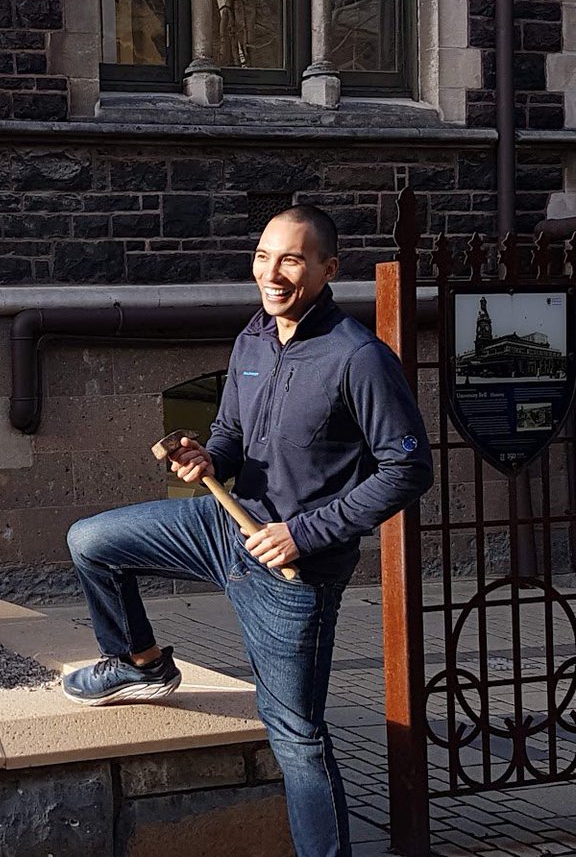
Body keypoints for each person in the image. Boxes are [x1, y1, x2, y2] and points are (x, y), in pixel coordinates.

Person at [61, 204, 433, 857]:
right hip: (221, 527)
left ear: (327, 268)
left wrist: (303, 534)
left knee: (296, 737)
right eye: (264, 256)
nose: (274, 272)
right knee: (91, 542)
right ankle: (140, 664)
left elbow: (408, 468)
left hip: (294, 574)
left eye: (292, 259)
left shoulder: (358, 358)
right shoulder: (254, 338)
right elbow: (231, 438)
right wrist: (206, 460)